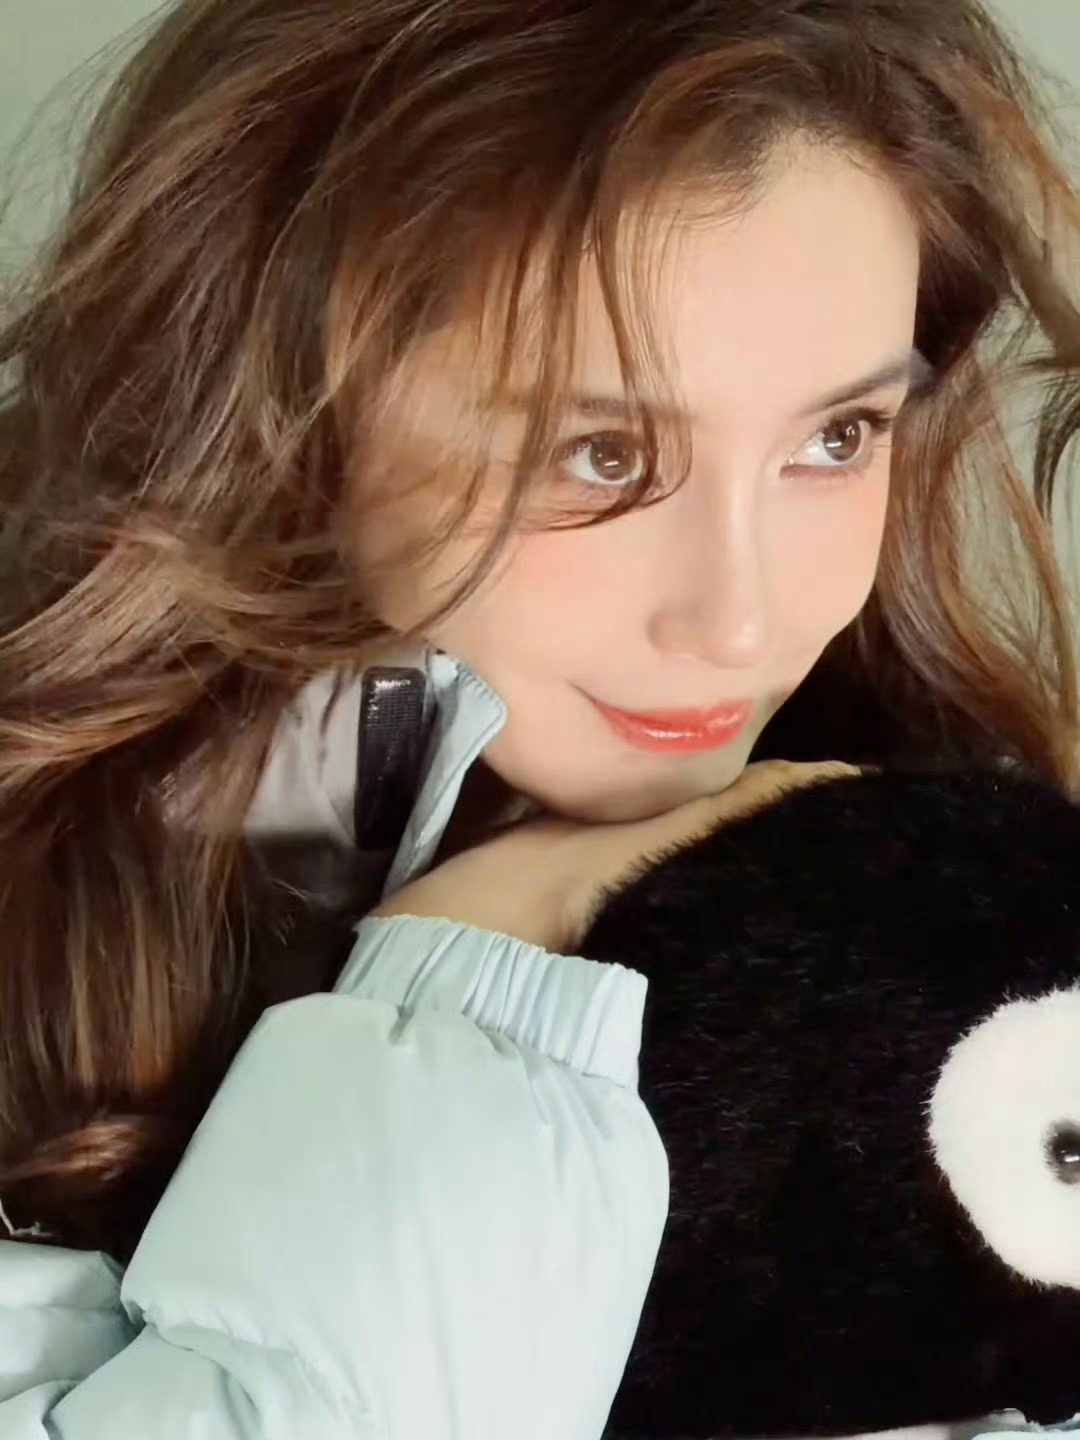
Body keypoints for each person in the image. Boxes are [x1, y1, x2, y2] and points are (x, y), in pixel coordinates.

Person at [0, 0, 1077, 1433]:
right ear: (282, 416)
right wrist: (476, 994)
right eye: (600, 453)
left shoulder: (991, 929)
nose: (742, 620)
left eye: (836, 437)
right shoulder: (42, 941)